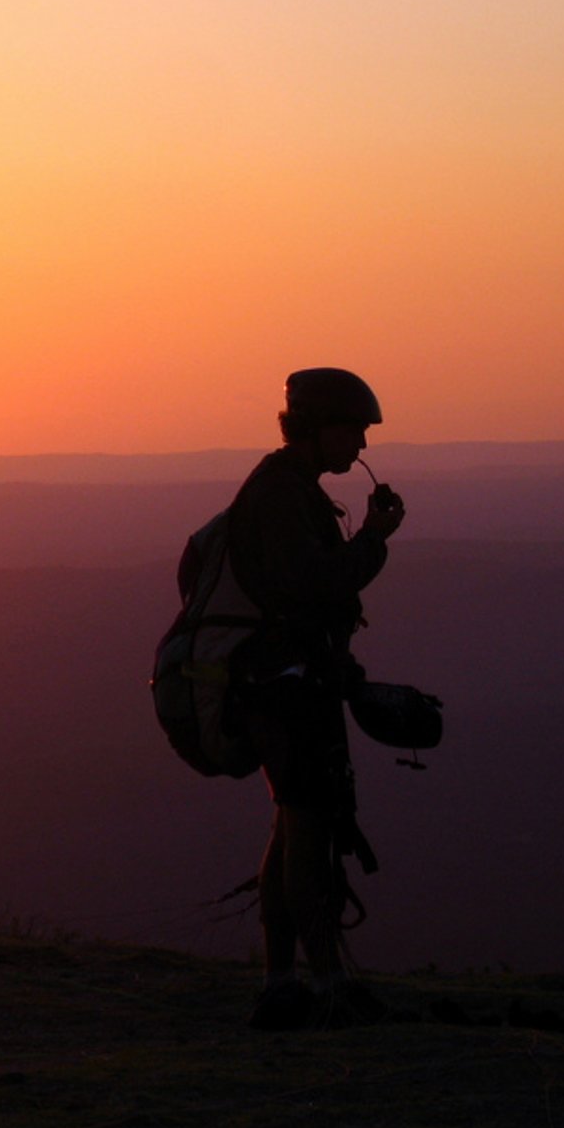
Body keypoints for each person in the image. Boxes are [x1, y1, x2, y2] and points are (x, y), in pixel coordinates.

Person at [229, 368, 405, 1028]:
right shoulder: (282, 496)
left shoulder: (285, 489)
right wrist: (374, 540)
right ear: (320, 427)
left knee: (291, 827)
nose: (360, 445)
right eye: (354, 429)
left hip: (280, 683)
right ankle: (326, 985)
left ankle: (281, 982)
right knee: (306, 830)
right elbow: (318, 586)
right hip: (286, 688)